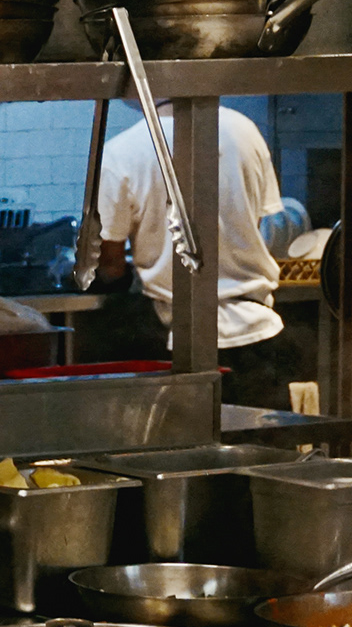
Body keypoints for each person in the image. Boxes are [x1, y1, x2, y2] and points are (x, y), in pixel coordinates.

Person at [95, 101, 305, 407]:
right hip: (259, 337)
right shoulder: (245, 132)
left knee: (185, 438)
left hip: (175, 344)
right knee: (263, 437)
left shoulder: (121, 152)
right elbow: (254, 224)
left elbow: (110, 266)